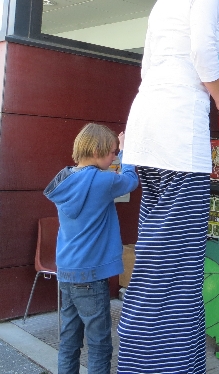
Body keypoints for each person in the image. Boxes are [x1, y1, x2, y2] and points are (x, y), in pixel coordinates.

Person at [117, 0, 219, 374]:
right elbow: (204, 51)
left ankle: (150, 359)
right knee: (177, 265)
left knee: (155, 254)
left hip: (148, 140)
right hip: (177, 144)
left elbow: (150, 70)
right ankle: (162, 364)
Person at [44, 123, 139, 374]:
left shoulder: (65, 179)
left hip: (67, 270)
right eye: (112, 152)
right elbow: (130, 180)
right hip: (91, 274)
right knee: (99, 346)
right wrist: (128, 150)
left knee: (69, 340)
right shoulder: (103, 181)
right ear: (97, 151)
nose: (115, 157)